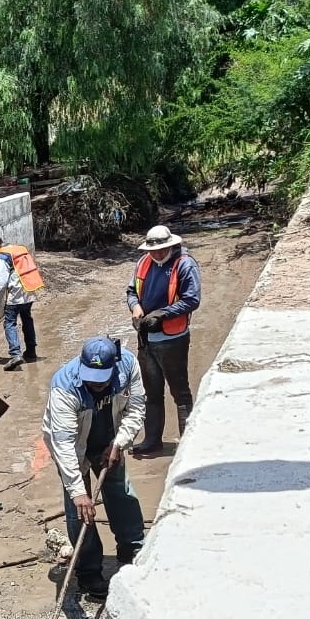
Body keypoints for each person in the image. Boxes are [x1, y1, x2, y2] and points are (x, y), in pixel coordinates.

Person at [43, 337, 147, 599]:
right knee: (81, 509)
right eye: (91, 378)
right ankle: (88, 572)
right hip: (73, 446)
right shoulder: (65, 386)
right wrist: (78, 491)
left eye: (102, 378)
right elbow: (64, 444)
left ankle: (132, 549)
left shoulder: (128, 366)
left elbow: (136, 409)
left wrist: (119, 443)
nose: (96, 383)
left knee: (121, 492)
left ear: (115, 365)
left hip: (109, 438)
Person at [126, 225, 200, 458]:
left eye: (161, 250)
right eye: (153, 250)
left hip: (172, 339)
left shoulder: (185, 264)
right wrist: (136, 308)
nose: (157, 254)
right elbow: (131, 292)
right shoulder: (143, 262)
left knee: (180, 392)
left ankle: (188, 442)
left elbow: (192, 300)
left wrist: (162, 314)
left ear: (171, 246)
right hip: (146, 338)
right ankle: (152, 440)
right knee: (151, 392)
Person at [0, 232, 44, 371]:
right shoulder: (19, 249)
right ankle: (31, 351)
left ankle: (15, 354)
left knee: (9, 323)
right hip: (29, 290)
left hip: (16, 294)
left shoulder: (2, 256)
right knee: (27, 318)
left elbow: (0, 284)